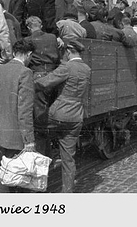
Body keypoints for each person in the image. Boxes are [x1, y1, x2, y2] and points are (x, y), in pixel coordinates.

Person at [34, 40, 91, 193]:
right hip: (76, 117)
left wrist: (28, 82)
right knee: (68, 158)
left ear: (68, 51)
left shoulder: (66, 67)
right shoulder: (86, 69)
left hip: (59, 113)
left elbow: (44, 83)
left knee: (37, 131)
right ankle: (67, 192)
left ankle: (38, 182)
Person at [0, 39, 37, 193]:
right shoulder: (25, 73)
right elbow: (25, 110)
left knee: (7, 172)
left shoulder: (0, 69)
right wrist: (29, 140)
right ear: (28, 54)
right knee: (16, 177)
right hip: (17, 135)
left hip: (3, 132)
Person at [24, 16, 61, 152]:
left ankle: (43, 152)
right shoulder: (52, 37)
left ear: (29, 27)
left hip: (38, 76)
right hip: (53, 75)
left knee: (39, 116)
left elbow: (26, 60)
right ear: (40, 25)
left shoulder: (28, 40)